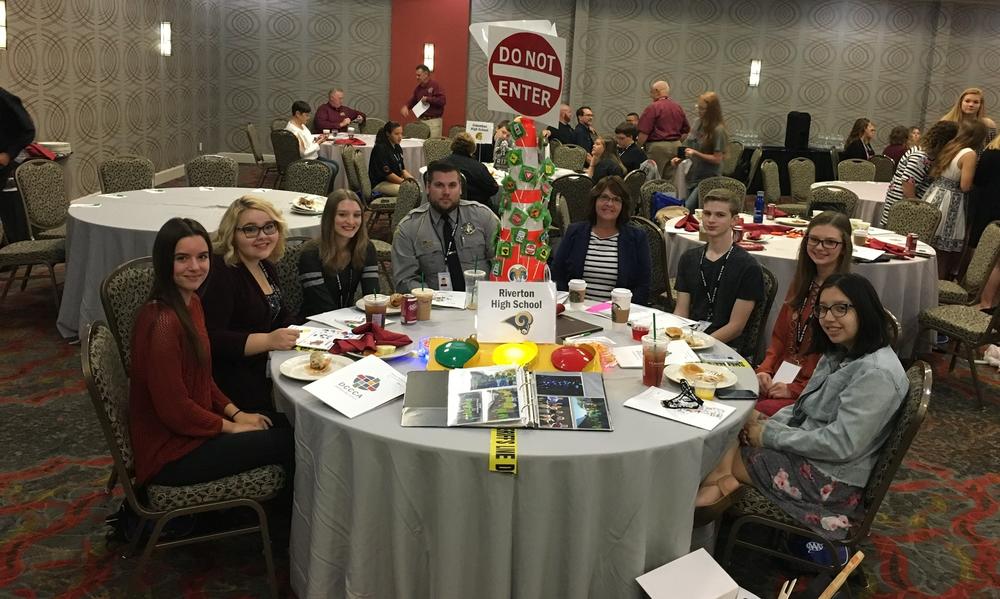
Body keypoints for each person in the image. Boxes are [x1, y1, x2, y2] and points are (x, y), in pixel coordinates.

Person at [693, 274, 907, 540]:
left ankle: (702, 517)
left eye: (841, 308)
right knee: (731, 430)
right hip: (817, 456)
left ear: (864, 308)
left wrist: (768, 434)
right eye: (823, 309)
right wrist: (763, 421)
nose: (829, 318)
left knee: (720, 455)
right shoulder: (840, 353)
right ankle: (716, 504)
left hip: (830, 478)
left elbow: (841, 444)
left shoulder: (876, 374)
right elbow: (804, 411)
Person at [130, 217, 293, 489]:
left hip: (195, 427)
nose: (195, 267)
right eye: (182, 258)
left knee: (289, 423)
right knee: (290, 441)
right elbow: (175, 411)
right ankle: (276, 524)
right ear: (163, 262)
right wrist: (231, 427)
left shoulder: (191, 301)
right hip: (172, 451)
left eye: (202, 257)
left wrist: (237, 412)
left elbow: (203, 377)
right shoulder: (162, 323)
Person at [200, 196, 300, 413]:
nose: (262, 236)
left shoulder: (264, 265)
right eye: (250, 229)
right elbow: (212, 339)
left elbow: (281, 314)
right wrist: (267, 340)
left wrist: (303, 335)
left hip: (265, 368)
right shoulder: (222, 272)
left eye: (269, 227)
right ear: (232, 234)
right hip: (233, 385)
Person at [755, 212, 852, 416]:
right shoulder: (801, 283)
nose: (819, 247)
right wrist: (765, 369)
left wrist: (794, 390)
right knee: (732, 396)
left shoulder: (845, 295)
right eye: (814, 239)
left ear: (844, 248)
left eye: (830, 242)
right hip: (782, 375)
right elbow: (779, 338)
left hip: (814, 391)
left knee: (752, 413)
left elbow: (839, 365)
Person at [674, 188, 764, 348]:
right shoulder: (689, 258)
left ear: (734, 220)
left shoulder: (748, 267)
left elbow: (736, 327)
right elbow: (681, 311)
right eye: (707, 214)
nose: (711, 220)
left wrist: (698, 344)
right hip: (690, 338)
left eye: (720, 215)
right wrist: (677, 339)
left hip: (726, 346)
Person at [391, 161, 499, 292]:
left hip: (481, 302)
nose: (446, 192)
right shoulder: (408, 228)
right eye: (439, 185)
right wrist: (432, 298)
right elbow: (404, 280)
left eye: (452, 185)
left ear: (460, 188)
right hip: (433, 306)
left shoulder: (483, 217)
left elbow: (501, 263)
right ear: (427, 187)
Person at [550, 176, 650, 304]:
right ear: (595, 201)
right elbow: (557, 274)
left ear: (622, 206)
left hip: (617, 314)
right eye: (604, 197)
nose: (609, 204)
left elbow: (643, 286)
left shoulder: (637, 238)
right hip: (576, 309)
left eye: (616, 200)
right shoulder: (575, 232)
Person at [923, 119, 988, 279]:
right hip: (951, 201)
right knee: (943, 252)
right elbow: (965, 185)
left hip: (935, 193)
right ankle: (937, 287)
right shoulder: (969, 154)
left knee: (930, 246)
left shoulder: (951, 146)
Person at [298, 190, 379, 318]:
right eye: (342, 215)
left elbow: (372, 297)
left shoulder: (366, 248)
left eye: (357, 215)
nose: (351, 221)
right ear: (329, 218)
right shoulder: (311, 254)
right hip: (315, 325)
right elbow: (321, 306)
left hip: (349, 322)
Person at [877, 120, 958, 226]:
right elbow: (907, 186)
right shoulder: (921, 156)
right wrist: (919, 209)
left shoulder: (925, 151)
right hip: (903, 209)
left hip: (903, 206)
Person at [671, 91, 728, 210]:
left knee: (687, 208)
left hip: (708, 179)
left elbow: (717, 159)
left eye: (703, 109)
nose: (699, 111)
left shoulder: (718, 130)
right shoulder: (698, 123)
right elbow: (688, 144)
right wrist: (679, 158)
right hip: (692, 176)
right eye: (698, 107)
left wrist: (696, 154)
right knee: (685, 207)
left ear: (712, 110)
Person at [0, 87, 36, 242]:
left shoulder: (4, 98)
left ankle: (15, 254)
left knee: (10, 213)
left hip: (3, 163)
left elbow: (28, 130)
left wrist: (8, 154)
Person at [637, 80, 691, 179]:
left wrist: (638, 147)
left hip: (657, 148)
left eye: (651, 92)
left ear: (657, 91)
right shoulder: (677, 107)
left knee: (654, 179)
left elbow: (644, 133)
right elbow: (685, 131)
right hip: (676, 145)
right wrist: (676, 142)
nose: (650, 95)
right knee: (672, 180)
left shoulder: (653, 107)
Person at [284, 100, 339, 190]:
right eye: (306, 115)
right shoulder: (294, 131)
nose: (308, 118)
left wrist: (316, 140)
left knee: (335, 164)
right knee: (331, 168)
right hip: (304, 161)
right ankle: (322, 192)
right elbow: (304, 153)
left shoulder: (301, 125)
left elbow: (306, 142)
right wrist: (318, 143)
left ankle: (326, 191)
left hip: (312, 157)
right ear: (298, 114)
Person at [973, 134, 1000, 312]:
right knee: (997, 261)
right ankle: (989, 302)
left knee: (987, 254)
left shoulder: (989, 152)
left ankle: (985, 300)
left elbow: (978, 180)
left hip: (986, 204)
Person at [445, 132, 499, 209]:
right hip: (476, 210)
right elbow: (493, 189)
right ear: (472, 148)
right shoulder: (478, 167)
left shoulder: (440, 164)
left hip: (445, 207)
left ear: (453, 145)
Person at [369, 121, 414, 197]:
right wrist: (405, 183)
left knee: (416, 188)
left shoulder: (397, 147)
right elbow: (388, 175)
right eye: (396, 134)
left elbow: (402, 170)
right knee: (410, 192)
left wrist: (413, 181)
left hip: (394, 181)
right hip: (381, 183)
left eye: (401, 133)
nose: (400, 137)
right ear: (388, 134)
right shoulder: (380, 149)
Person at [400, 64, 446, 138]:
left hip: (433, 122)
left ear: (426, 74)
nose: (416, 77)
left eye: (419, 75)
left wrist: (428, 99)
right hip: (421, 121)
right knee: (421, 145)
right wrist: (406, 106)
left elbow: (442, 101)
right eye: (416, 75)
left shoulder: (435, 85)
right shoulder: (418, 89)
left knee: (432, 146)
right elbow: (413, 100)